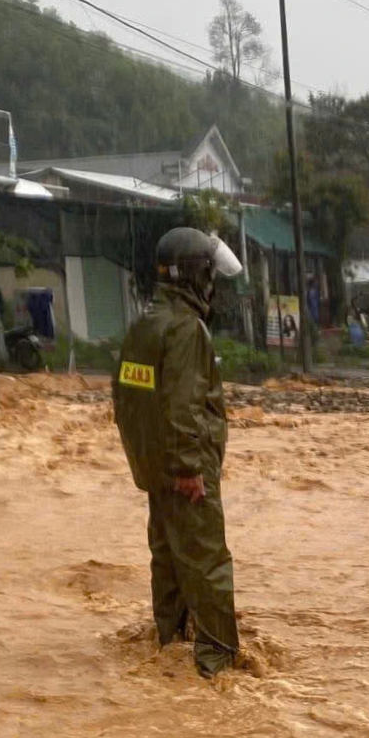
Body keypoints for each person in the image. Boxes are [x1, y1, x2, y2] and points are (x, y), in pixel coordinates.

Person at [112, 227, 245, 677]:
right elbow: (183, 403)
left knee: (168, 559)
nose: (212, 282)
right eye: (209, 273)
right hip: (186, 468)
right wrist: (190, 468)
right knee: (207, 563)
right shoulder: (187, 329)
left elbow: (129, 402)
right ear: (195, 276)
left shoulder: (145, 324)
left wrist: (156, 466)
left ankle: (169, 647)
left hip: (156, 467)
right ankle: (217, 665)